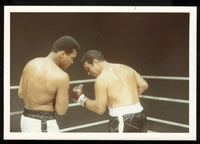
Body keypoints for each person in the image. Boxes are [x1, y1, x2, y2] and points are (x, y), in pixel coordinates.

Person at [72, 50, 148, 133]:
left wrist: (81, 99)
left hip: (122, 119)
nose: (88, 73)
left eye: (88, 68)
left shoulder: (101, 79)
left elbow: (99, 109)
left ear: (95, 62)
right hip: (140, 114)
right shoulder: (125, 68)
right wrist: (126, 97)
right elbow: (143, 85)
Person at [18, 35, 80, 132]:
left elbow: (21, 93)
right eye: (72, 58)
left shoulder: (30, 63)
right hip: (43, 123)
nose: (72, 62)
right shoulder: (62, 76)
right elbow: (61, 111)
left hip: (25, 120)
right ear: (62, 54)